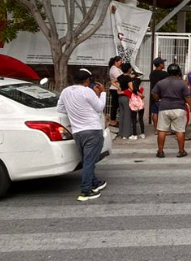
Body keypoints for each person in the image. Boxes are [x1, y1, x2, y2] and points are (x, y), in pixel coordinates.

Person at [57, 68, 108, 200]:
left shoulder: (65, 91)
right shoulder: (87, 91)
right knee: (90, 161)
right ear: (87, 80)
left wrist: (75, 111)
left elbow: (60, 108)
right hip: (92, 130)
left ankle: (94, 182)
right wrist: (102, 93)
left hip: (77, 132)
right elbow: (99, 107)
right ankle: (86, 191)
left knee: (87, 160)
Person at [152, 63, 191, 158]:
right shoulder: (182, 83)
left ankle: (160, 151)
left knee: (162, 130)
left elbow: (154, 93)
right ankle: (181, 151)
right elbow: (187, 97)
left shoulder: (161, 82)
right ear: (178, 72)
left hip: (164, 108)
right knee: (180, 130)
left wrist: (158, 100)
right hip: (179, 108)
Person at [116, 64, 140, 140]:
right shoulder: (128, 78)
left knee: (122, 115)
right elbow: (131, 89)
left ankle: (121, 133)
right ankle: (126, 134)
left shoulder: (120, 77)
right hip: (127, 98)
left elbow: (112, 81)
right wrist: (125, 91)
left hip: (120, 98)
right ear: (129, 69)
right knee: (127, 116)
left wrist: (119, 88)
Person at [147, 57, 167, 131]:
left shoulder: (152, 73)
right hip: (162, 96)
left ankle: (156, 129)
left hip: (153, 94)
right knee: (163, 113)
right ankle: (162, 129)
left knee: (154, 112)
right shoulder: (164, 74)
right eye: (163, 63)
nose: (164, 64)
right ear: (160, 64)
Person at [107, 55, 124, 127]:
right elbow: (119, 78)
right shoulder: (114, 69)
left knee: (116, 105)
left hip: (117, 88)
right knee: (115, 105)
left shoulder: (117, 68)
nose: (121, 63)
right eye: (120, 61)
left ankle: (114, 119)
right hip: (115, 88)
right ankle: (112, 120)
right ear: (115, 62)